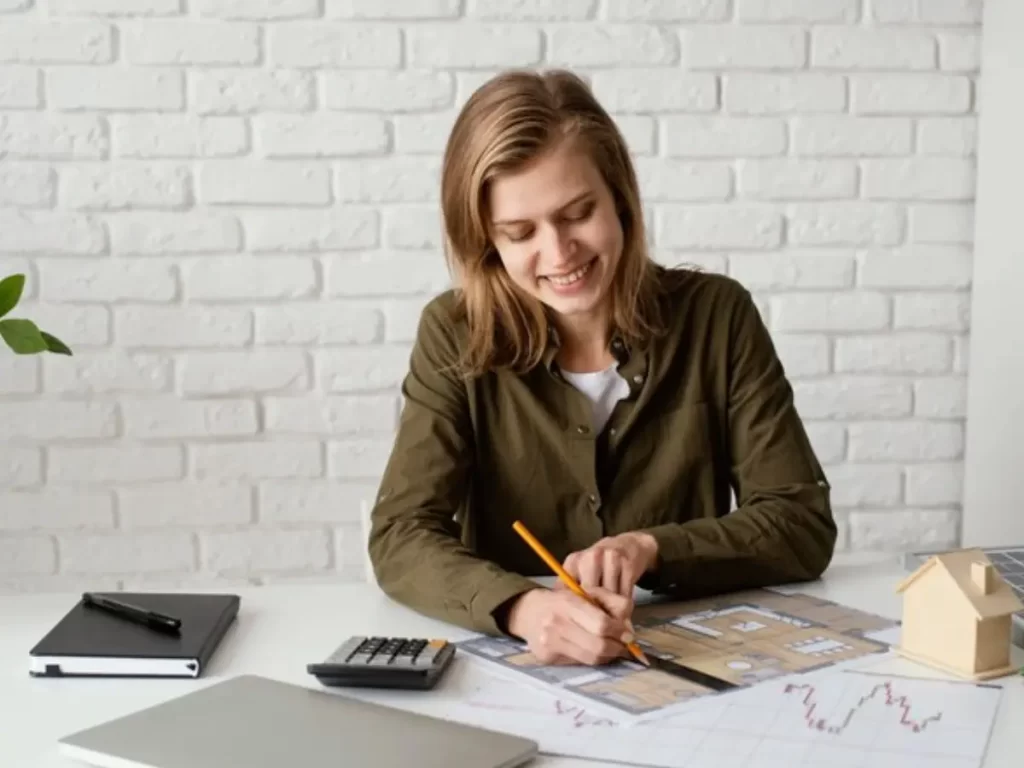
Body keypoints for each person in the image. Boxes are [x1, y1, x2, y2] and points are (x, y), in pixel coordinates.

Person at [367, 68, 836, 668]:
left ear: (620, 197)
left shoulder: (718, 316)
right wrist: (523, 608)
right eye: (520, 232)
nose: (559, 254)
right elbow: (401, 534)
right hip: (521, 670)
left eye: (578, 212)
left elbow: (801, 525)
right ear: (487, 241)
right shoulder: (453, 334)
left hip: (690, 664)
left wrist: (652, 549)